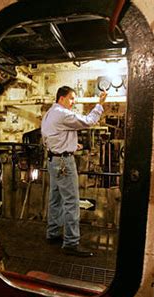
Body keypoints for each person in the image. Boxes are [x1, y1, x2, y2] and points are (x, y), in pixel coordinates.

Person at [41, 85, 107, 257]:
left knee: (55, 198)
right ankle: (71, 242)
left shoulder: (49, 113)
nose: (73, 102)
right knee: (71, 202)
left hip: (53, 159)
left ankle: (53, 233)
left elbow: (51, 136)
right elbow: (88, 121)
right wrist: (100, 104)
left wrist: (70, 145)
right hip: (64, 163)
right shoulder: (63, 114)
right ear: (61, 98)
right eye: (71, 98)